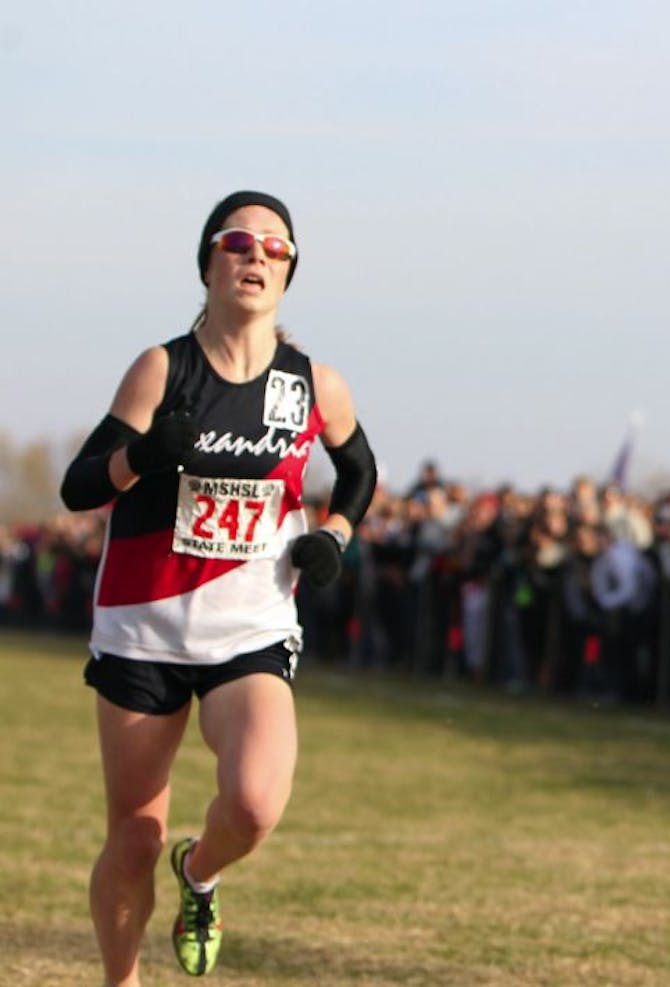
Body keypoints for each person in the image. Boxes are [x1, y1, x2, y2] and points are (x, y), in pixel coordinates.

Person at [60, 191, 378, 985]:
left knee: (256, 802)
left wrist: (333, 535)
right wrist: (142, 457)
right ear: (208, 261)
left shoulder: (313, 385)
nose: (257, 257)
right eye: (239, 242)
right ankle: (121, 980)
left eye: (276, 248)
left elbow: (361, 472)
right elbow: (79, 487)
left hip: (251, 627)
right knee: (133, 835)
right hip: (145, 624)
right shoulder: (163, 368)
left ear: (290, 271)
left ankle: (199, 873)